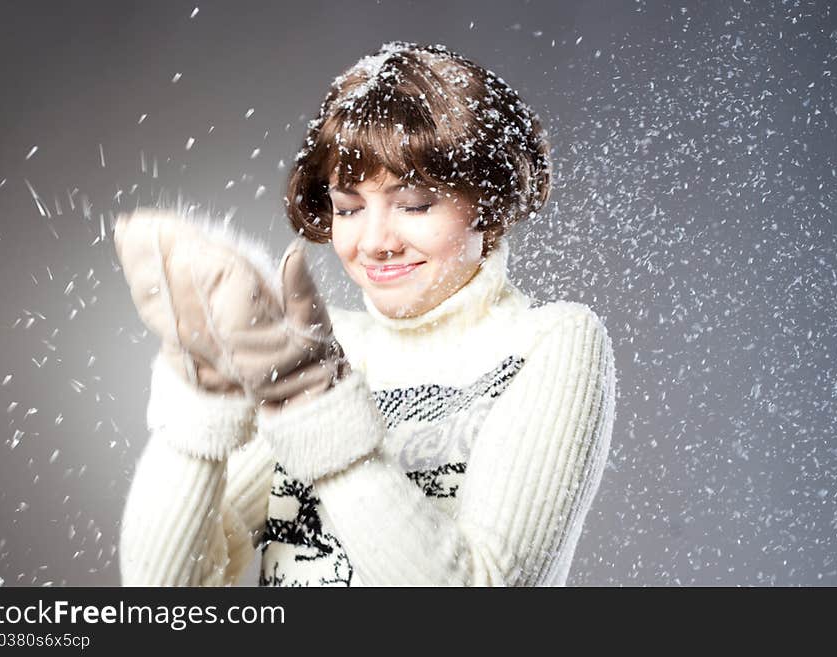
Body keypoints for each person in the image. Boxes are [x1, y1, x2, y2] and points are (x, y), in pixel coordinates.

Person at [115, 41, 617, 586]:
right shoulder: (318, 346)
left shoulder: (548, 342)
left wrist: (319, 407)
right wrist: (204, 396)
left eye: (415, 204)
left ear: (488, 201)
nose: (375, 242)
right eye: (349, 208)